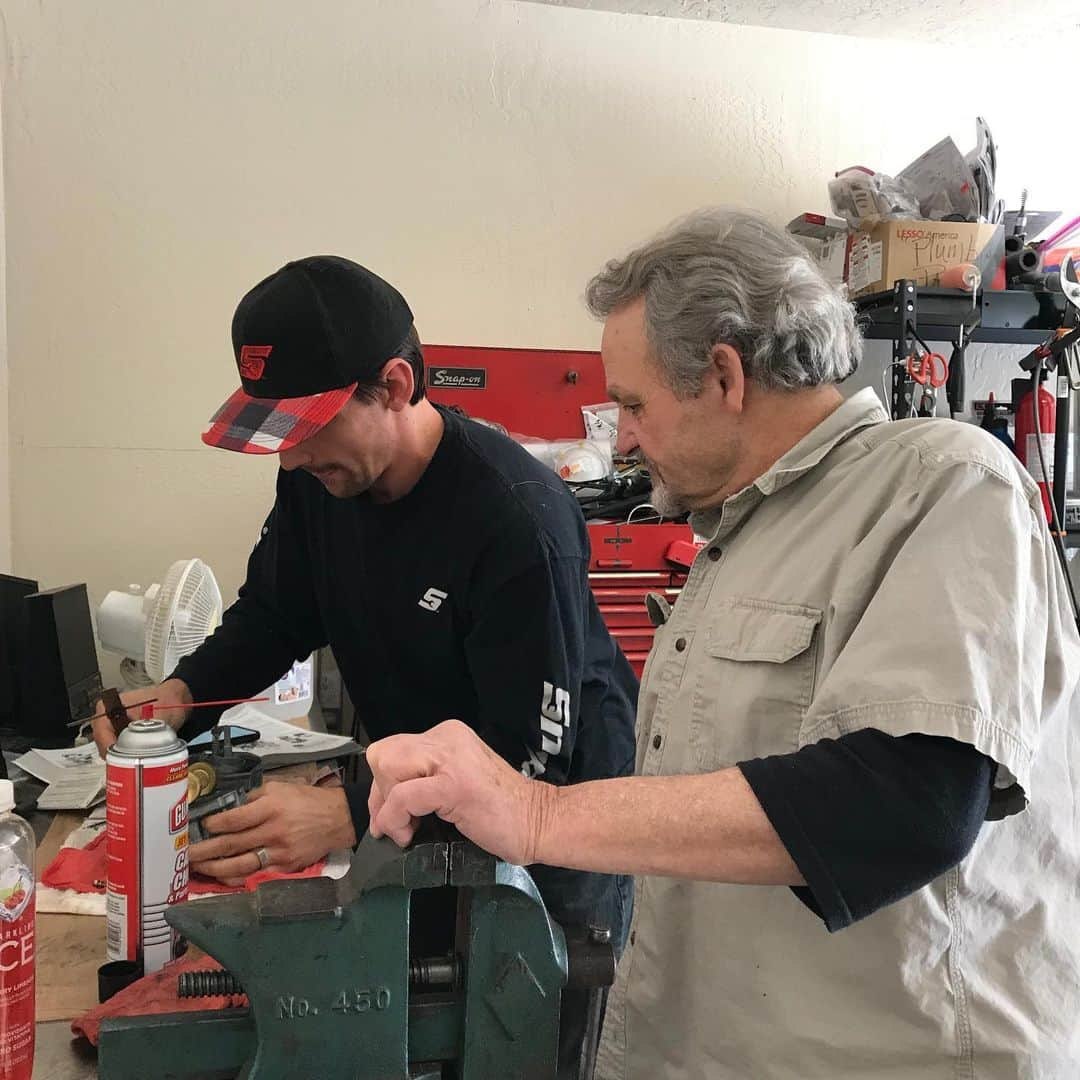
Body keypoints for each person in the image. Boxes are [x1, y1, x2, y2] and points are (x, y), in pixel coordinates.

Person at [361, 209, 1080, 1078]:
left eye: (632, 403)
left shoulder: (942, 483)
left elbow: (908, 804)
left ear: (726, 376)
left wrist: (537, 813)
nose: (621, 436)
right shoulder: (741, 534)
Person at [91, 255, 637, 1074]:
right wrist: (183, 694)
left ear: (393, 384)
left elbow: (531, 756)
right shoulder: (322, 484)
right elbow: (277, 613)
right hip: (421, 799)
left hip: (555, 833)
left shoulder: (516, 523)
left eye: (306, 429)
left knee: (524, 1042)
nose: (291, 459)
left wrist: (349, 810)